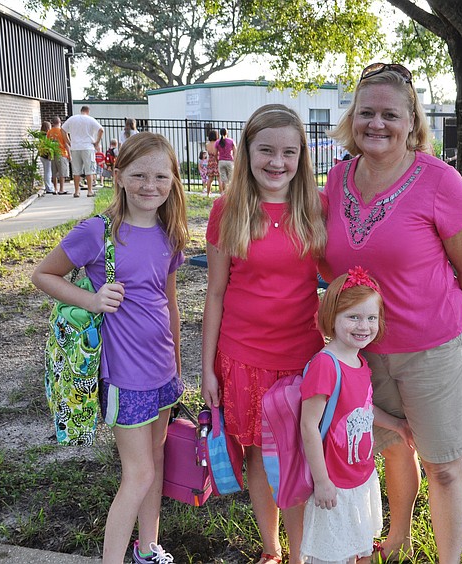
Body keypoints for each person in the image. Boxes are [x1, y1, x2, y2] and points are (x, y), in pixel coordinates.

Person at [323, 62, 462, 563]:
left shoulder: (442, 182)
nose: (377, 124)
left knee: (442, 465)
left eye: (390, 114)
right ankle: (397, 537)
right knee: (392, 448)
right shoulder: (335, 179)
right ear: (353, 119)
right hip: (363, 352)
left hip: (433, 349)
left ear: (412, 121)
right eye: (366, 112)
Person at [31, 132, 189, 564]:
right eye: (138, 175)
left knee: (153, 465)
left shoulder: (168, 233)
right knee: (137, 475)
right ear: (117, 176)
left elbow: (170, 302)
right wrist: (91, 299)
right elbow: (44, 274)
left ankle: (148, 548)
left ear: (173, 180)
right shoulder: (98, 231)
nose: (149, 185)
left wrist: (177, 367)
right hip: (125, 377)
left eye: (160, 176)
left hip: (162, 375)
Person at [201, 104, 327, 564]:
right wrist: (207, 370)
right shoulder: (226, 210)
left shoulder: (317, 208)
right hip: (242, 356)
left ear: (302, 157)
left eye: (289, 152)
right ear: (247, 150)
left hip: (301, 357)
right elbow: (215, 294)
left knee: (294, 455)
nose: (277, 162)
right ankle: (271, 551)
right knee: (257, 455)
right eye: (266, 150)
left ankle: (299, 555)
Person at [300, 267, 414, 564]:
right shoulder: (326, 364)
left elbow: (362, 409)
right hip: (333, 484)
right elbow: (309, 426)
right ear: (331, 318)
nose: (363, 326)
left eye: (371, 318)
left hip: (360, 479)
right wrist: (321, 481)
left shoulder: (360, 361)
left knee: (357, 547)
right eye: (353, 317)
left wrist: (397, 425)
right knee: (332, 554)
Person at [62, 105, 104, 198]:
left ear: (80, 111)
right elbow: (101, 130)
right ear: (88, 111)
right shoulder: (90, 119)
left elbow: (63, 129)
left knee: (76, 171)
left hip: (75, 147)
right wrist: (97, 142)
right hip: (88, 147)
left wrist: (68, 141)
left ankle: (77, 192)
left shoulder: (72, 119)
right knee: (89, 170)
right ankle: (90, 191)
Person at [47, 116, 70, 195]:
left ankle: (55, 189)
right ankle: (61, 189)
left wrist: (50, 155)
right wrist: (70, 155)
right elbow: (66, 144)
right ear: (60, 122)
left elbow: (48, 144)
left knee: (54, 173)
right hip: (62, 153)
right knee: (62, 173)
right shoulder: (62, 131)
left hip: (53, 154)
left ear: (52, 123)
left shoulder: (49, 132)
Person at [216, 127, 236, 194]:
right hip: (229, 161)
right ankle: (230, 193)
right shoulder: (231, 141)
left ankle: (224, 193)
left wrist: (217, 160)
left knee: (224, 180)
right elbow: (235, 152)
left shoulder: (217, 142)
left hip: (221, 161)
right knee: (231, 178)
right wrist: (234, 160)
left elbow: (215, 153)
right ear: (226, 133)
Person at [38, 121, 54, 194]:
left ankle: (48, 186)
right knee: (48, 172)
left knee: (47, 172)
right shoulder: (46, 136)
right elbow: (48, 146)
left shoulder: (41, 135)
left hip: (42, 156)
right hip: (46, 156)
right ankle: (48, 187)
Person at [205, 129, 221, 194]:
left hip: (210, 161)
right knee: (219, 178)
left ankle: (208, 193)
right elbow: (217, 152)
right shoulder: (217, 143)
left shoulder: (207, 144)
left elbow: (208, 151)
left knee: (210, 178)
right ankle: (221, 193)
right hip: (217, 160)